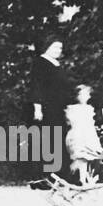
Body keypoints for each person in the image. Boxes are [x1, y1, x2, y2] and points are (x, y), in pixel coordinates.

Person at [28, 35, 73, 185]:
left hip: (57, 108)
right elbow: (36, 86)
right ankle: (41, 177)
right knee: (47, 140)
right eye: (55, 47)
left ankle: (56, 177)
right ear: (47, 47)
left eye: (60, 48)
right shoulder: (40, 63)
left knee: (57, 140)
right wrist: (37, 108)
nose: (58, 50)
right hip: (45, 108)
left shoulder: (56, 64)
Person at [66, 84, 103, 185]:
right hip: (78, 135)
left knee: (88, 157)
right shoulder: (72, 109)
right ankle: (79, 178)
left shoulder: (89, 108)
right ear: (77, 95)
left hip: (88, 135)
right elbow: (72, 123)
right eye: (82, 94)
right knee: (80, 157)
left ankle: (86, 177)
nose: (85, 97)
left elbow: (90, 123)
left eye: (87, 94)